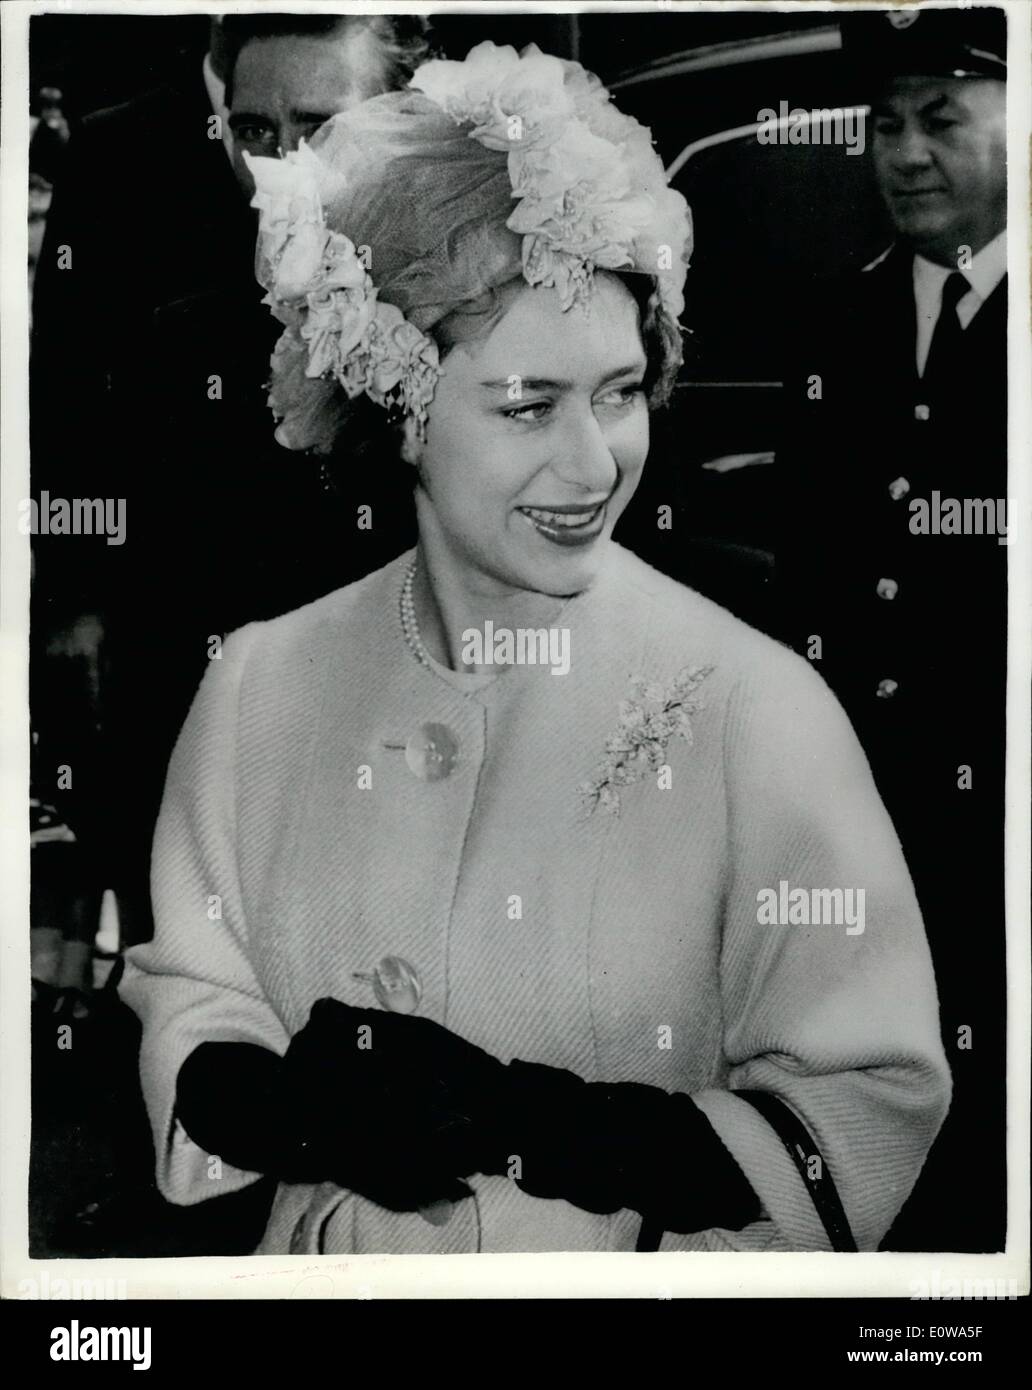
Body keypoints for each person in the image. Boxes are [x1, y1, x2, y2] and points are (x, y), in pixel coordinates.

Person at [122, 42, 950, 1257]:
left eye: (619, 392)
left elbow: (867, 1103)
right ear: (399, 410)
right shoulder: (261, 680)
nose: (594, 461)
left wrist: (541, 1127)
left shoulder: (753, 707)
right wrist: (272, 1102)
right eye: (527, 406)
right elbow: (196, 986)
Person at [29, 14, 434, 955]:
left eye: (320, 127)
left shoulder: (448, 254)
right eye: (255, 133)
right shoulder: (148, 202)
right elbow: (67, 389)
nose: (283, 164)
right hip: (186, 646)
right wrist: (75, 596)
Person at [776, 8, 1007, 1250]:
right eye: (884, 125)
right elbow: (812, 584)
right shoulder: (844, 321)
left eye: (941, 120)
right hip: (878, 820)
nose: (905, 153)